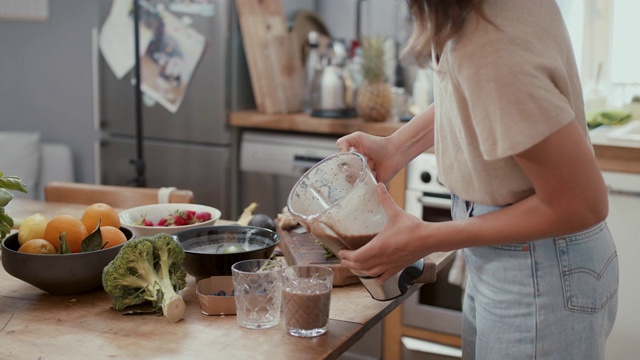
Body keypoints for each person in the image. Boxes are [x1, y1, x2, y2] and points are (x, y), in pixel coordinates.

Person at [336, 0, 618, 359]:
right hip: (520, 258)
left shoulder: (492, 41)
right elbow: (473, 93)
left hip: (537, 268)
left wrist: (425, 238)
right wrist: (397, 147)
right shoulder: (473, 13)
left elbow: (583, 203)